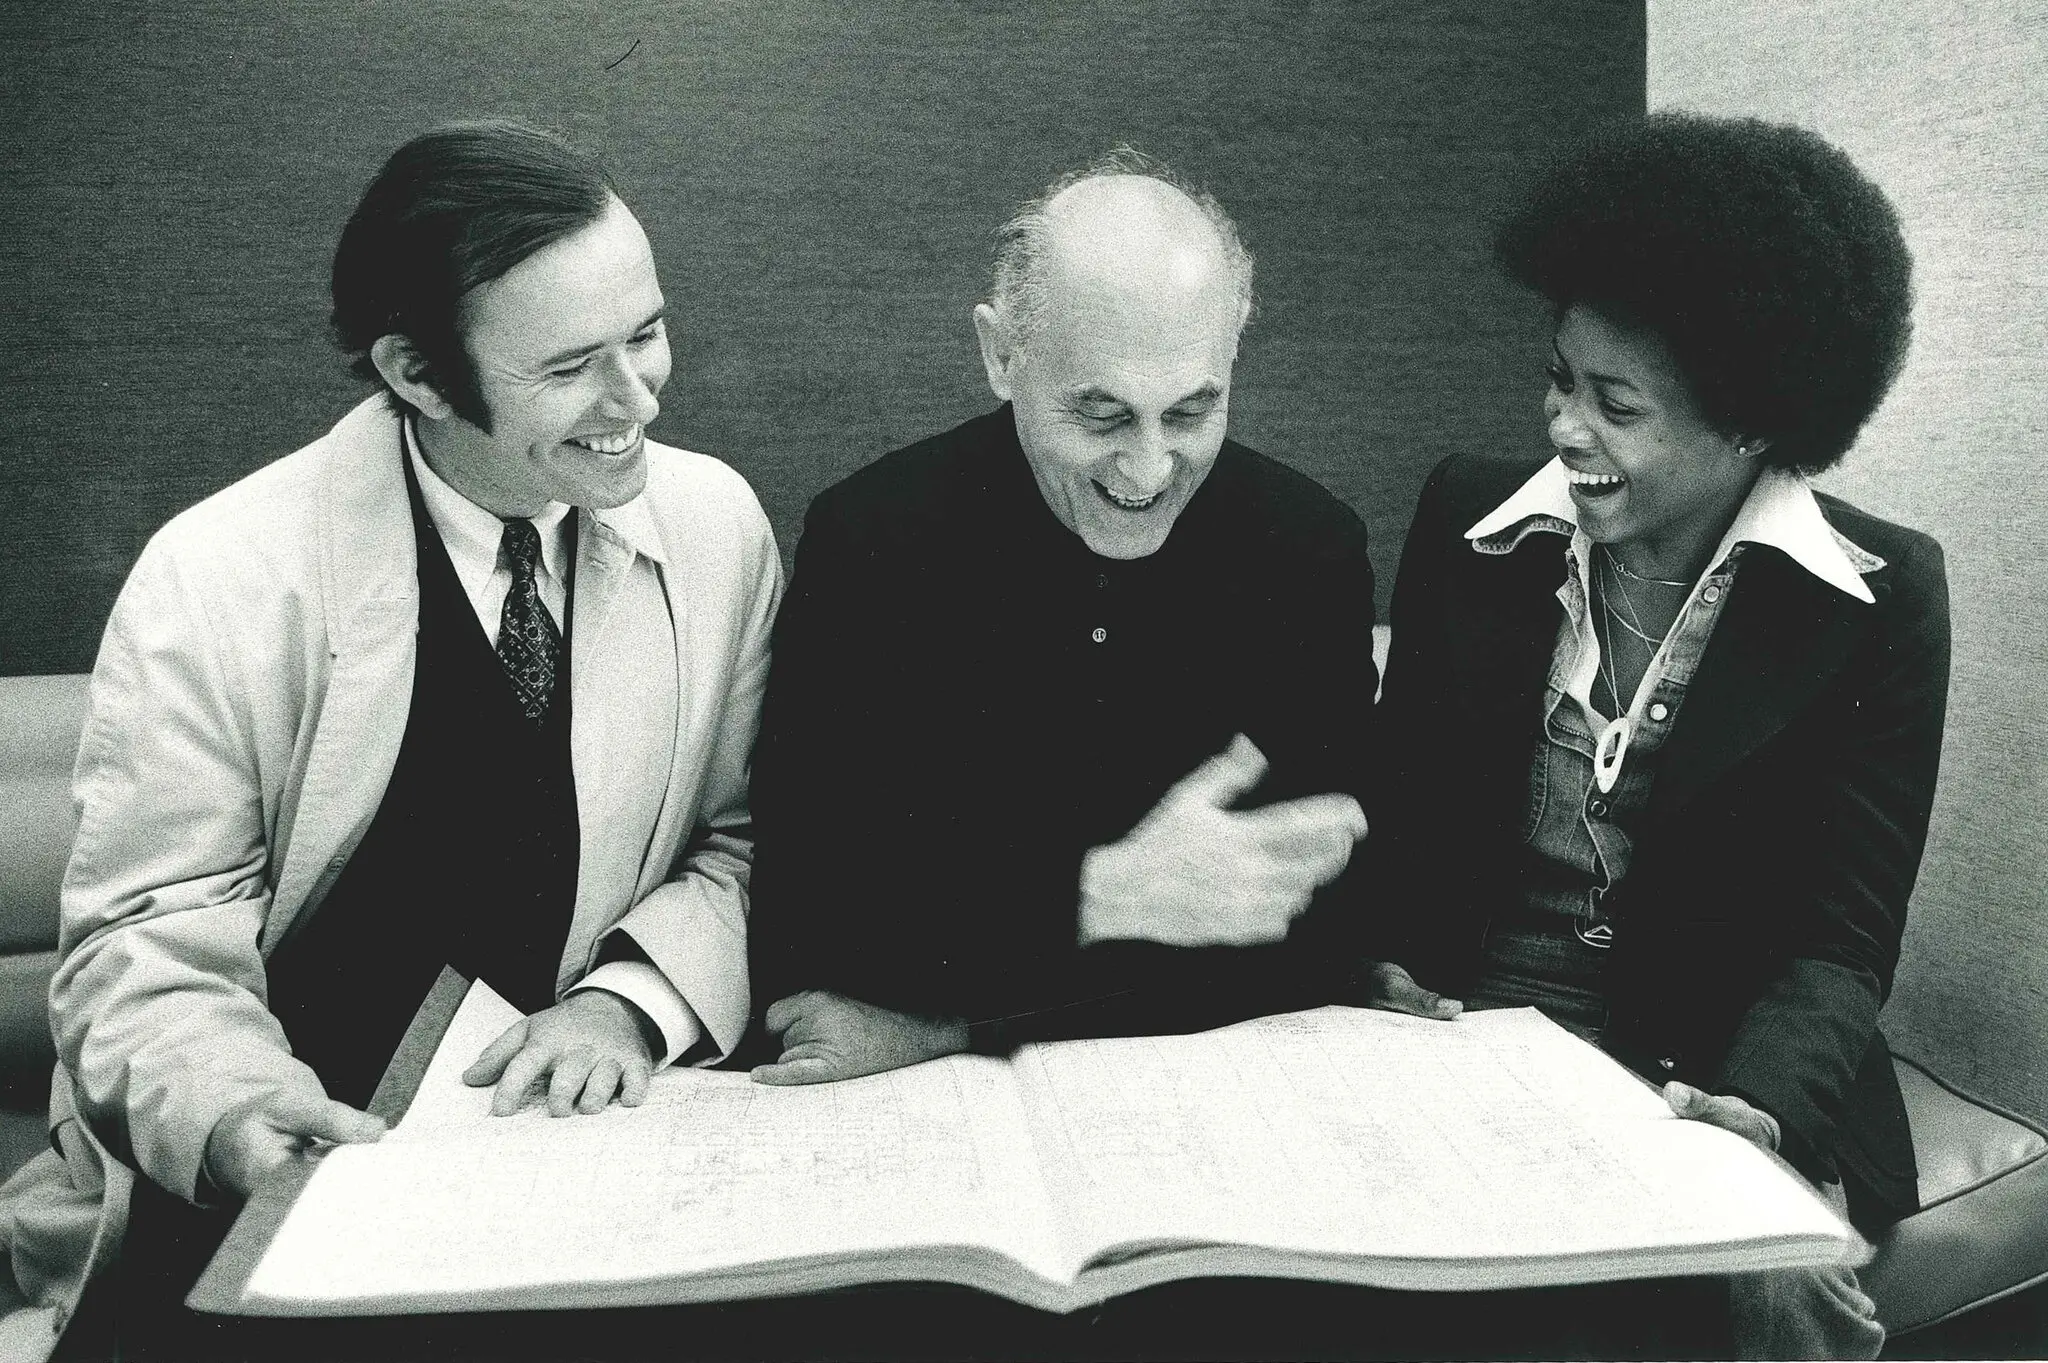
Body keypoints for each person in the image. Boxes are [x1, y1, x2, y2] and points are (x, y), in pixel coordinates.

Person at [1, 119, 780, 1356]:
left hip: (573, 1158)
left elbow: (746, 842)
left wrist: (626, 1008)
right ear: (417, 375)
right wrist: (240, 1117)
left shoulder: (717, 525)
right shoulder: (215, 578)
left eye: (646, 332)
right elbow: (138, 950)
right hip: (278, 1177)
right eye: (573, 365)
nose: (640, 396)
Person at [1363, 112, 1945, 1358]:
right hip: (1475, 1038)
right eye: (1558, 379)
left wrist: (1752, 1112)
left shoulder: (1882, 594)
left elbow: (1839, 939)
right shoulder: (1466, 520)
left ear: (1749, 420)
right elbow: (1396, 805)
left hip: (1715, 1062)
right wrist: (1377, 969)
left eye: (1612, 403)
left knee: (1760, 1290)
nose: (1563, 426)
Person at [744, 147, 1381, 1084]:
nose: (1151, 468)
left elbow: (1320, 952)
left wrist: (952, 1021)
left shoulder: (1309, 548)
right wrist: (1104, 895)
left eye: (1193, 410)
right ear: (1001, 354)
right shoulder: (874, 539)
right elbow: (816, 921)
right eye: (1102, 415)